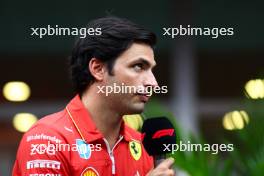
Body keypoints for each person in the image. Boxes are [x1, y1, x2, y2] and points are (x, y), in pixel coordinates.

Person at [13, 16, 175, 176]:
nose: (153, 83)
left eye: (151, 70)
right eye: (138, 66)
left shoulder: (141, 145)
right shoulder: (47, 139)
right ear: (98, 69)